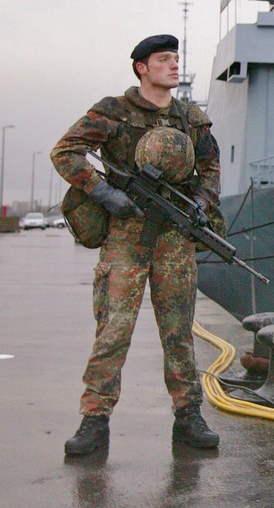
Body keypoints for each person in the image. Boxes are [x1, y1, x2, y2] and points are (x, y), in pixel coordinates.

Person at [51, 34, 222, 456]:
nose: (174, 66)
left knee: (178, 330)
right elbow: (66, 151)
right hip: (125, 235)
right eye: (164, 60)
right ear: (141, 68)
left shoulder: (191, 119)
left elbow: (211, 167)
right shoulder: (114, 112)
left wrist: (201, 201)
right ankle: (95, 420)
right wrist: (102, 192)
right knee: (113, 330)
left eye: (176, 59)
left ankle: (189, 416)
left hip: (174, 237)